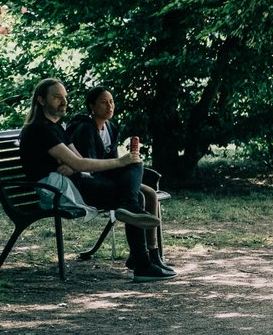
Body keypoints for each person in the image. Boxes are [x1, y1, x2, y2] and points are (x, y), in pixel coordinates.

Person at [19, 78, 167, 281]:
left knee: (135, 164)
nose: (63, 102)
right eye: (56, 98)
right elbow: (81, 164)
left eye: (65, 98)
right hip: (59, 191)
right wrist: (118, 162)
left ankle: (137, 240)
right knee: (134, 191)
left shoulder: (56, 127)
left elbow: (78, 161)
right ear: (41, 100)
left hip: (75, 182)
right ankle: (142, 264)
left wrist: (75, 165)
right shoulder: (40, 129)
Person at [68, 86, 175, 276]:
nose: (109, 106)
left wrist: (128, 164)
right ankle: (140, 260)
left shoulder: (111, 127)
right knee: (140, 196)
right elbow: (88, 167)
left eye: (111, 101)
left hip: (107, 177)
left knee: (143, 179)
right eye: (103, 102)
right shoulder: (85, 128)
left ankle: (152, 254)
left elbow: (115, 163)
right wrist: (121, 165)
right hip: (89, 182)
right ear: (91, 106)